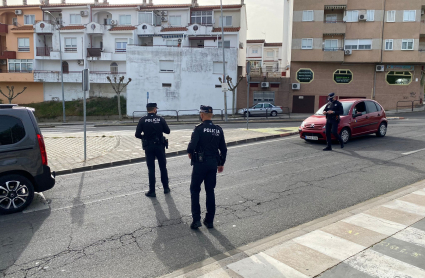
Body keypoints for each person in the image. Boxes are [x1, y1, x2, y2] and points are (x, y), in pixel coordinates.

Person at [187, 105, 227, 230]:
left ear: (202, 115)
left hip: (200, 164)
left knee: (195, 190)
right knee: (210, 191)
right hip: (213, 164)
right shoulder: (218, 129)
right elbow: (224, 149)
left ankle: (196, 220)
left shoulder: (198, 129)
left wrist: (190, 152)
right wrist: (221, 163)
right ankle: (209, 221)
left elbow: (191, 147)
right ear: (211, 115)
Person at [135, 103, 171, 197]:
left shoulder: (142, 120)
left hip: (149, 146)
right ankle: (166, 188)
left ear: (147, 109)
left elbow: (137, 134)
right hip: (160, 146)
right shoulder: (160, 119)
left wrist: (145, 137)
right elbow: (168, 131)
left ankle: (152, 191)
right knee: (163, 167)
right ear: (155, 109)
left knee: (151, 169)